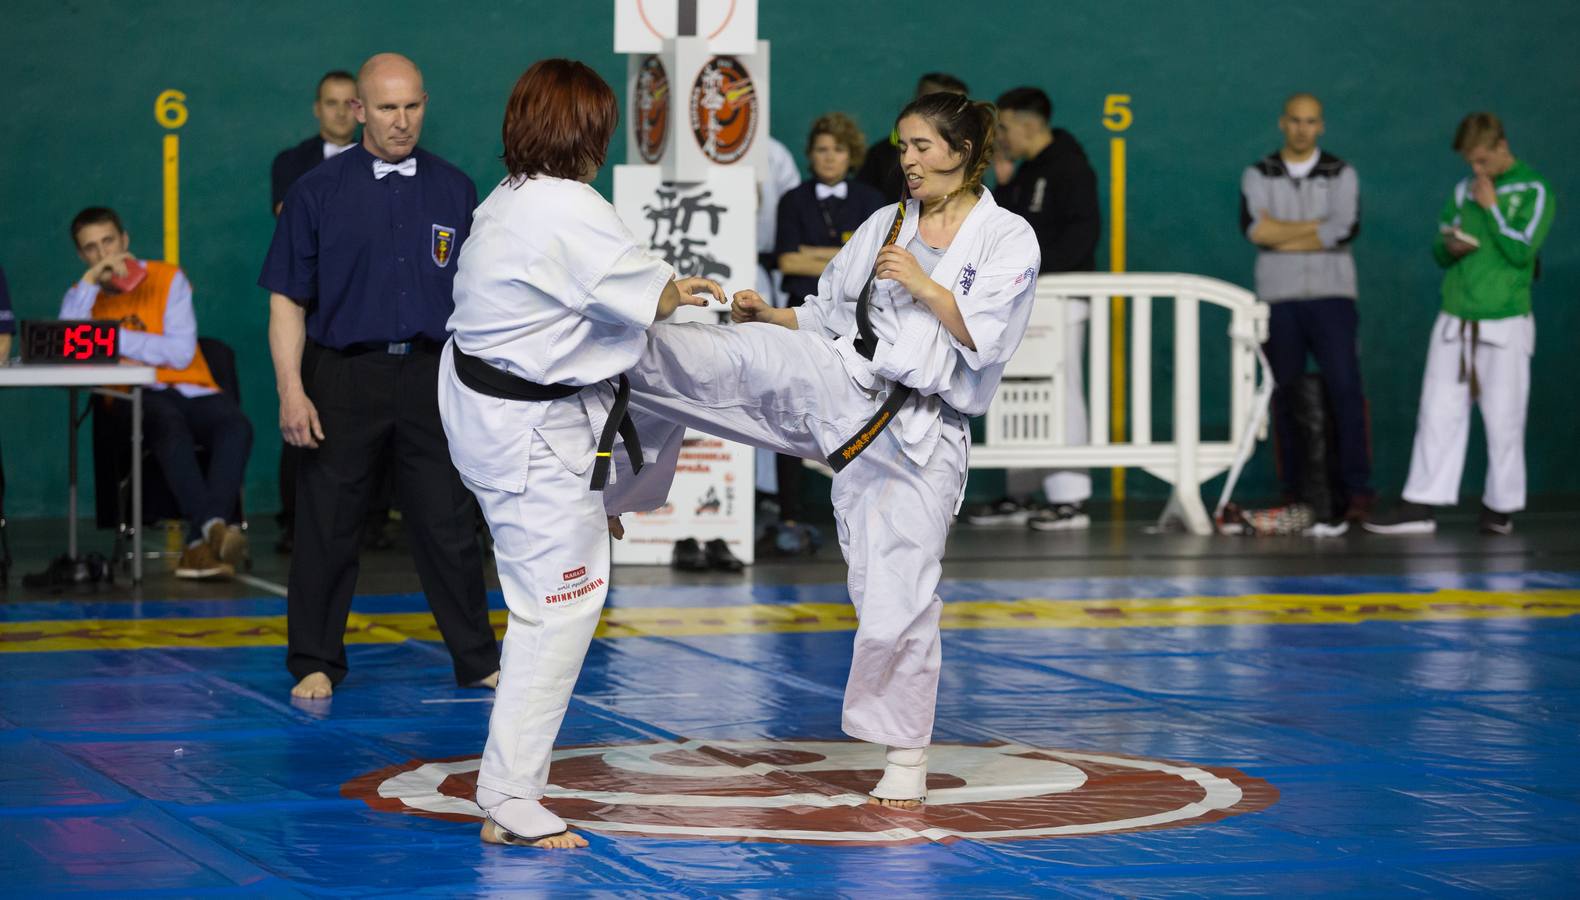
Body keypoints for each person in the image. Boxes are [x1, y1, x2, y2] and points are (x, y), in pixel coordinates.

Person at [607, 92, 1041, 808]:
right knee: (694, 356)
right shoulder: (884, 224)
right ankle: (613, 491)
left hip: (922, 432)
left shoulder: (1008, 238)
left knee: (894, 598)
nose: (909, 161)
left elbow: (984, 337)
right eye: (902, 147)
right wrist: (769, 315)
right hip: (842, 379)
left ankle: (905, 755)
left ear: (963, 152)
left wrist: (926, 284)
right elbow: (828, 312)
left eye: (924, 147)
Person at [439, 59, 721, 849]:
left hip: (487, 414)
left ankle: (510, 788)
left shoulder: (507, 198)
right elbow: (654, 296)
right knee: (555, 607)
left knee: (553, 588)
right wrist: (683, 289)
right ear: (587, 133)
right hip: (526, 433)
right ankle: (510, 796)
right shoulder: (570, 206)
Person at [259, 53, 500, 700]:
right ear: (359, 110)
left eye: (413, 106)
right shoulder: (315, 191)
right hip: (343, 375)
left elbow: (480, 297)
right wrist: (291, 387)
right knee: (327, 525)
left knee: (449, 525)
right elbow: (287, 298)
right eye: (387, 108)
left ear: (426, 103)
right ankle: (314, 660)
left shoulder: (456, 188)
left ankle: (478, 660)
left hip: (431, 375)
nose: (402, 121)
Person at [1366, 113, 1554, 535]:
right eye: (1471, 162)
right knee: (1437, 411)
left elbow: (1522, 252)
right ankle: (1421, 504)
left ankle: (1500, 507)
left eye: (1483, 160)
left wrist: (1492, 210)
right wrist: (1451, 244)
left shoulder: (1534, 190)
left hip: (1504, 320)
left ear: (1503, 146)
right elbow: (1439, 248)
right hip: (1456, 316)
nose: (1476, 170)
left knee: (1505, 418)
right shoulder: (1461, 191)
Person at [61, 208, 253, 578]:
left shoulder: (168, 278)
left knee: (236, 426)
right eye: (91, 249)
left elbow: (180, 353)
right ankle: (213, 530)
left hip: (190, 386)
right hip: (132, 396)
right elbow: (69, 344)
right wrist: (88, 283)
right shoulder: (82, 296)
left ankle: (200, 541)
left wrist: (108, 339)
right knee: (166, 423)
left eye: (108, 242)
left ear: (124, 240)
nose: (103, 255)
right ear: (82, 256)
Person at [966, 86, 1101, 531]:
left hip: (1060, 299)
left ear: (1029, 124)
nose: (1001, 136)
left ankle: (1070, 499)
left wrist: (1039, 272)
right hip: (1024, 299)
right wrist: (1005, 186)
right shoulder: (1025, 173)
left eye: (1004, 127)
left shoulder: (1070, 167)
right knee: (1017, 387)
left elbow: (1084, 233)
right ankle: (1020, 493)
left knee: (1061, 390)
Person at [1240, 93, 1372, 526]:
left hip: (1333, 299)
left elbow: (1345, 227)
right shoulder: (1258, 173)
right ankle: (1294, 492)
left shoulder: (1342, 173)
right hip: (1279, 301)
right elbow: (1256, 231)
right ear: (1283, 123)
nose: (1302, 128)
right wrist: (1318, 228)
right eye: (1295, 121)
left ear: (1321, 126)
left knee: (1346, 392)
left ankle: (1356, 491)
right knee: (1284, 395)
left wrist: (1283, 235)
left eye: (1311, 121)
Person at [766, 113, 885, 537]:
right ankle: (790, 512)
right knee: (790, 409)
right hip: (801, 313)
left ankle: (869, 510)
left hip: (857, 322)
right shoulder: (794, 200)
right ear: (810, 155)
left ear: (850, 154)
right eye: (821, 149)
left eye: (837, 149)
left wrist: (817, 253)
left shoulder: (873, 201)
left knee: (859, 413)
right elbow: (788, 260)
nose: (829, 157)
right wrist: (841, 253)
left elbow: (873, 265)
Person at [269, 69, 358, 554]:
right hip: (312, 306)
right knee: (299, 405)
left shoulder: (383, 161)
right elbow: (296, 224)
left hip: (366, 304)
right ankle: (293, 519)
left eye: (350, 102)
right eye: (332, 102)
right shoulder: (292, 163)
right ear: (316, 108)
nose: (342, 112)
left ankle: (373, 521)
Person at [855, 73, 968, 201]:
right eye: (904, 149)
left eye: (959, 109)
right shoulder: (879, 156)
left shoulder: (971, 160)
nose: (907, 160)